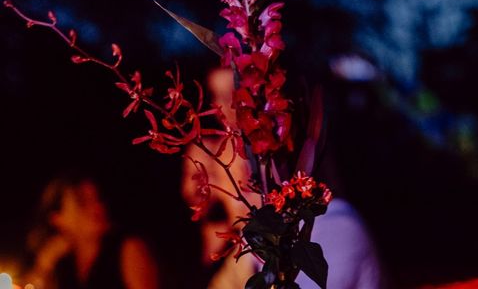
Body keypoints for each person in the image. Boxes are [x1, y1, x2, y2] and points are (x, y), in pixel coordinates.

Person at [181, 67, 384, 289]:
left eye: (237, 97)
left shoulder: (335, 224)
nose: (226, 108)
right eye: (217, 96)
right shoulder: (259, 243)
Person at [24, 174, 159, 289]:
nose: (98, 207)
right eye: (83, 202)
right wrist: (44, 264)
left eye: (97, 198)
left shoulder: (128, 249)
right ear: (57, 218)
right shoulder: (63, 265)